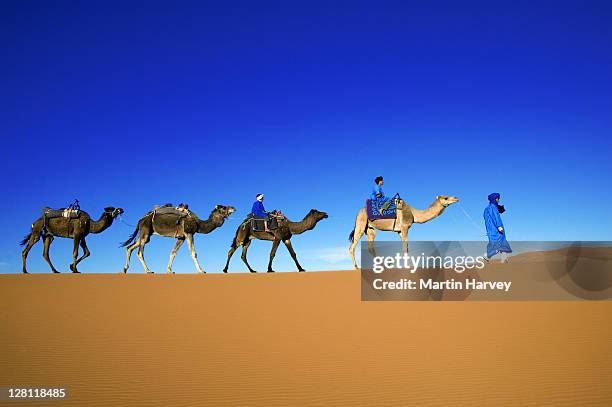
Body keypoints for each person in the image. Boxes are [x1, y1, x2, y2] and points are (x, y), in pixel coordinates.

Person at [483, 192, 512, 263]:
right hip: (495, 229)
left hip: (492, 228)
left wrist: (499, 208)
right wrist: (499, 226)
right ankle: (487, 256)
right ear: (495, 199)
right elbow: (495, 217)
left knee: (502, 242)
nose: (498, 200)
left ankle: (504, 259)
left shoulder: (488, 208)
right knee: (496, 244)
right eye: (498, 199)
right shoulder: (492, 207)